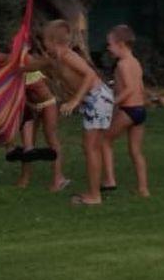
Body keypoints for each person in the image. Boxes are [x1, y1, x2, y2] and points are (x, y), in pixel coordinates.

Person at [43, 19, 116, 207]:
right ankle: (94, 192)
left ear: (52, 41)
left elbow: (90, 75)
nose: (43, 45)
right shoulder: (59, 58)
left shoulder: (68, 56)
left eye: (45, 41)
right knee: (91, 147)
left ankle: (94, 196)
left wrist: (75, 100)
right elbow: (36, 65)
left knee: (91, 148)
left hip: (96, 98)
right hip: (96, 99)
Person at [104, 24, 151, 198]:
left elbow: (130, 89)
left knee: (104, 140)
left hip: (129, 110)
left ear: (121, 44)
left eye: (110, 44)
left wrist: (111, 103)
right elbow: (140, 87)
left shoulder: (122, 64)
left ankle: (110, 180)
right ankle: (143, 189)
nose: (108, 48)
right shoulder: (135, 62)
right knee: (135, 150)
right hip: (140, 111)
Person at [12, 57, 69, 192]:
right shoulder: (16, 69)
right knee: (28, 143)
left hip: (47, 104)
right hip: (32, 106)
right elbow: (20, 95)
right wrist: (30, 105)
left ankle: (58, 178)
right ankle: (25, 178)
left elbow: (49, 83)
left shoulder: (31, 64)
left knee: (51, 138)